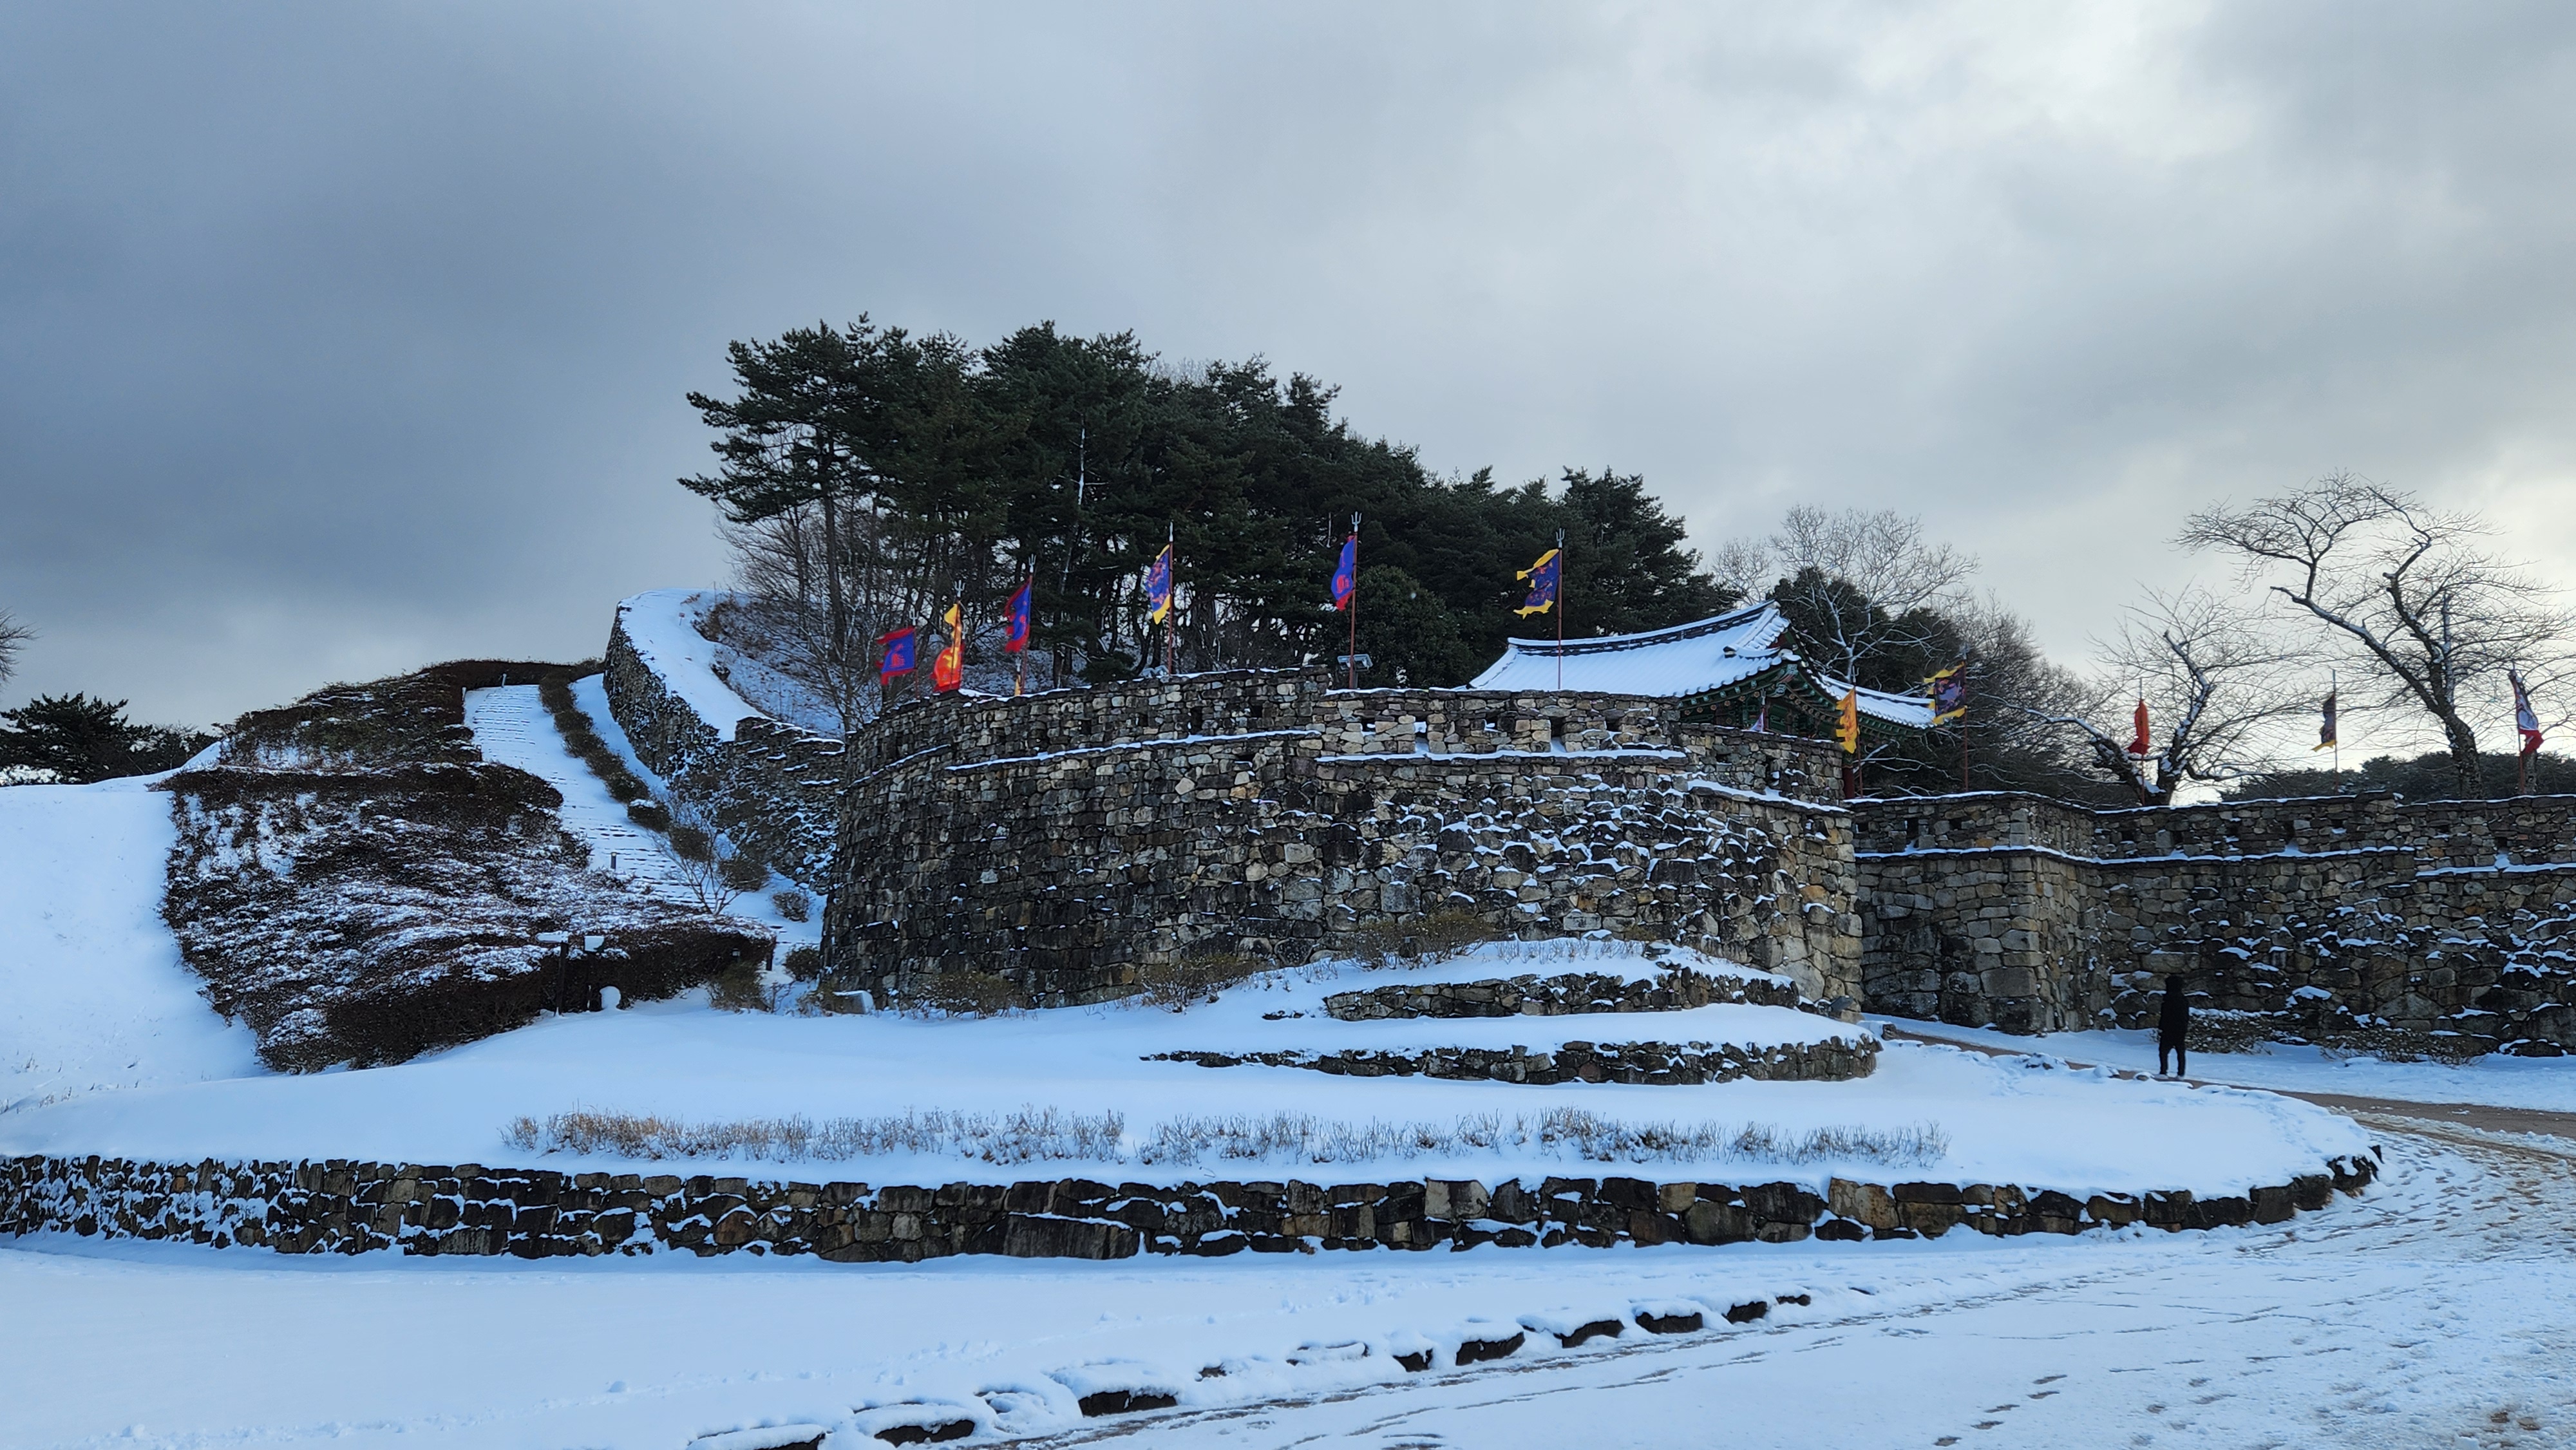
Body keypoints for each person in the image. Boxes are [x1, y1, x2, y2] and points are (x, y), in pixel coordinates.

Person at [2157, 974, 2190, 1077]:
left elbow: (2165, 1015)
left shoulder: (2168, 999)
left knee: (2163, 1051)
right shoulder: (2184, 999)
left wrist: (2161, 1027)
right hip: (2181, 1029)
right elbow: (2186, 1016)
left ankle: (2163, 1072)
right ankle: (2181, 1074)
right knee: (2180, 1052)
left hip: (2168, 1029)